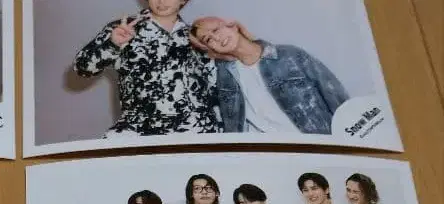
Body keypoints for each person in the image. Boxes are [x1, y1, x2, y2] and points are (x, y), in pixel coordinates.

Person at [73, 0, 220, 138]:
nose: (161, 1)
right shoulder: (124, 28)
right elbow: (82, 68)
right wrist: (113, 44)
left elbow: (214, 88)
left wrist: (219, 134)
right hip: (138, 130)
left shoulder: (198, 37)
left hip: (195, 131)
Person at [189, 17, 348, 135]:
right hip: (271, 157)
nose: (216, 38)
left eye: (215, 30)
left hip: (318, 148)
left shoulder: (290, 55)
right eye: (208, 39)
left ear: (233, 26)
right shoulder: (223, 79)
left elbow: (338, 101)